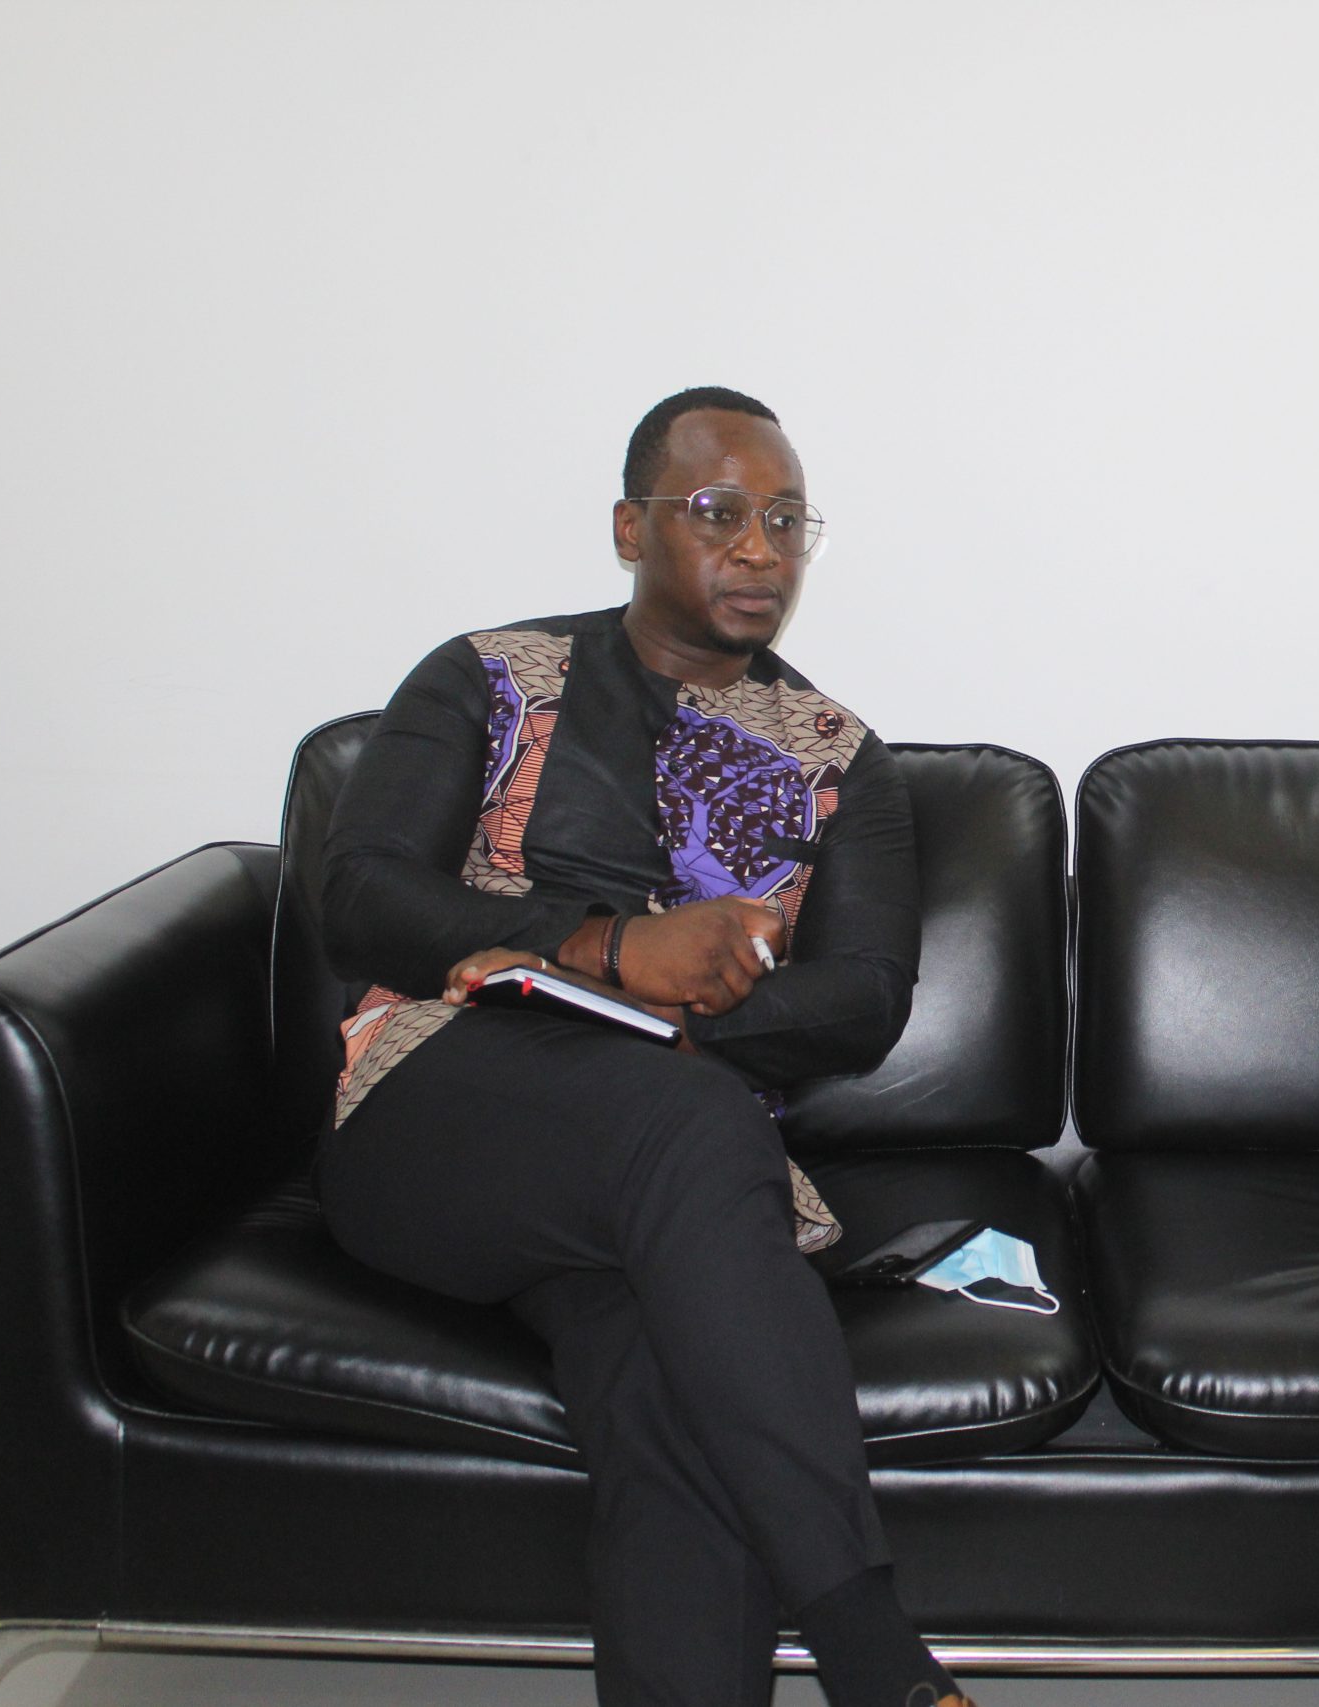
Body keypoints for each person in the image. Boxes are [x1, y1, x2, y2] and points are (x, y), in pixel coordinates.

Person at [317, 386, 979, 1707]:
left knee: (671, 1392)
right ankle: (873, 1658)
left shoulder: (841, 758)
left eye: (786, 521)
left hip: (659, 1176)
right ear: (632, 528)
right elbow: (361, 893)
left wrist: (671, 1004)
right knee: (695, 1122)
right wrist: (605, 947)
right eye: (719, 513)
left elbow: (865, 999)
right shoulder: (488, 677)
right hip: (438, 1116)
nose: (759, 549)